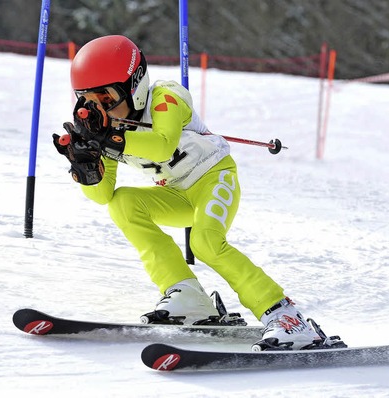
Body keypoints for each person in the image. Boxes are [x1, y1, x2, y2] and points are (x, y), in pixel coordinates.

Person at [53, 35, 321, 350]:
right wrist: (87, 168)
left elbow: (163, 144)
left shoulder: (166, 98)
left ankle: (287, 316)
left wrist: (108, 141)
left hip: (214, 179)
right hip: (177, 193)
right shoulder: (109, 130)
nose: (100, 109)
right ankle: (188, 295)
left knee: (205, 242)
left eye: (106, 97)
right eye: (88, 100)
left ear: (135, 83)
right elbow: (102, 195)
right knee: (122, 203)